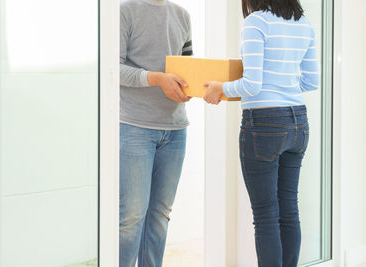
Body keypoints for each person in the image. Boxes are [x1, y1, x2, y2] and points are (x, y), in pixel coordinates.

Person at [203, 0, 319, 266]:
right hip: (298, 122)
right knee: (289, 210)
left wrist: (220, 87)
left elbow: (252, 85)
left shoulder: (256, 22)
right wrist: (284, 85)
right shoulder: (303, 24)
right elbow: (311, 80)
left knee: (266, 215)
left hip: (264, 125)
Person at [119, 0, 193, 266]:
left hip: (175, 130)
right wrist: (157, 78)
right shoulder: (124, 10)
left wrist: (191, 87)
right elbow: (112, 69)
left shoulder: (182, 16)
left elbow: (188, 68)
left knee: (160, 215)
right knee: (131, 217)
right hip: (134, 127)